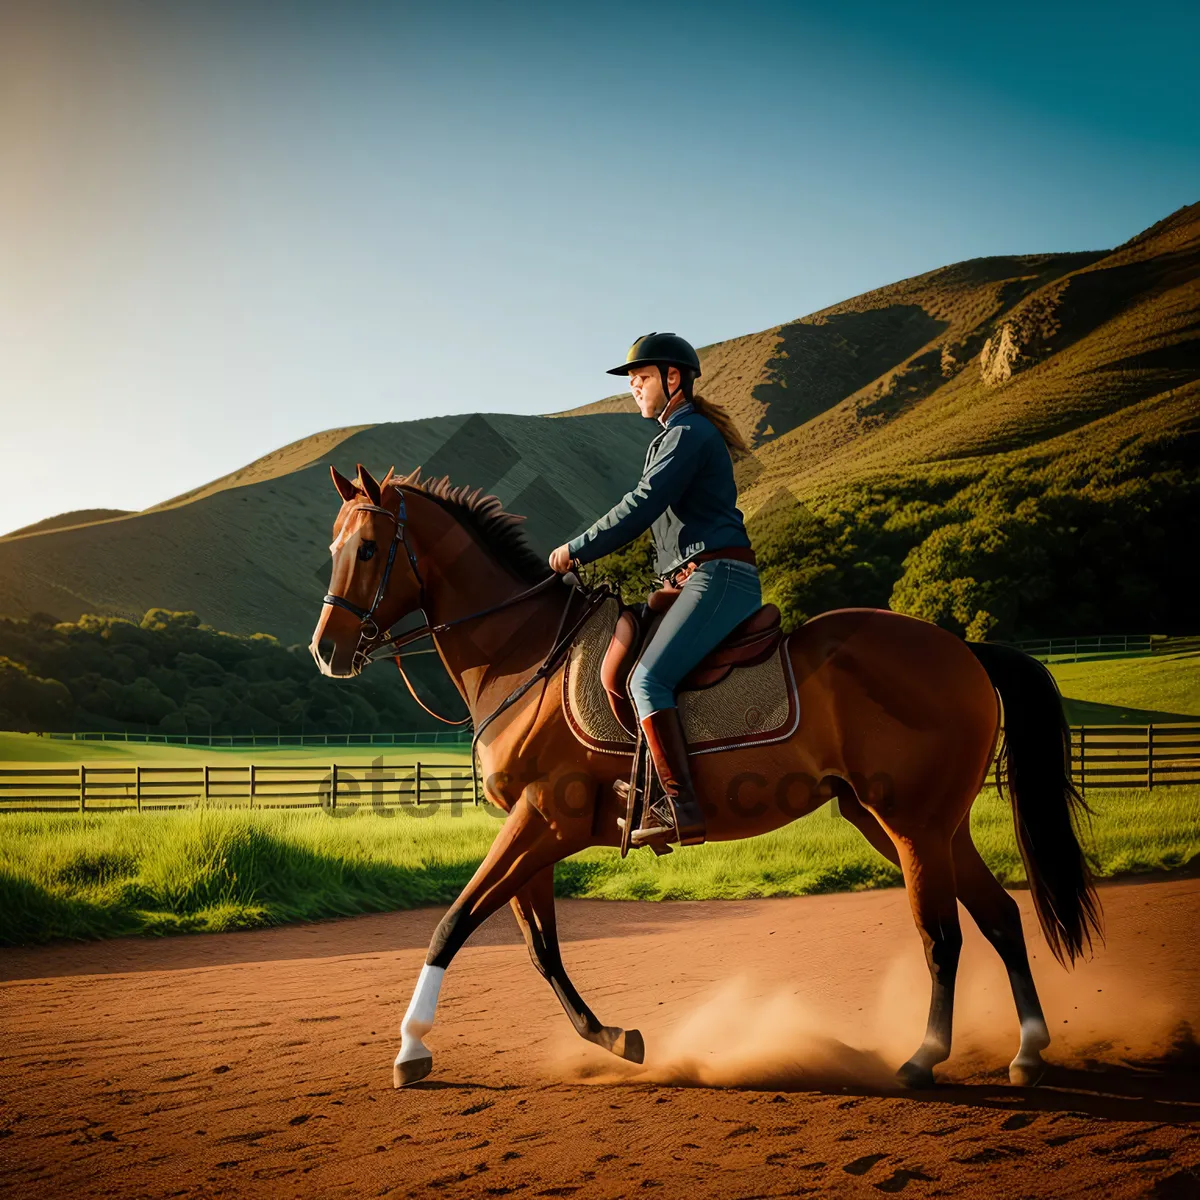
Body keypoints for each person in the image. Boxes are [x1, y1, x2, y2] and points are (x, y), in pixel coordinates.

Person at [548, 333, 762, 846]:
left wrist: (575, 549)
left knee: (647, 682)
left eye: (641, 378)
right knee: (620, 663)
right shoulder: (677, 434)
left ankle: (679, 806)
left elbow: (640, 505)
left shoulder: (687, 434)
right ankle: (645, 787)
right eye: (632, 382)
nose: (634, 389)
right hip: (686, 580)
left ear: (673, 378)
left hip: (718, 576)